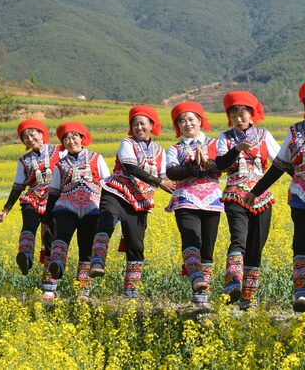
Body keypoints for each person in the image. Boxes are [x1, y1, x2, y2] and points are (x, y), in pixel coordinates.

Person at [246, 78, 305, 313]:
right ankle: (303, 294)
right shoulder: (295, 131)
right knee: (302, 244)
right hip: (302, 196)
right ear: (304, 105)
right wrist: (255, 191)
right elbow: (279, 165)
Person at [89, 106, 175, 298]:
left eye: (142, 123)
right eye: (134, 124)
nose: (138, 127)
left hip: (140, 201)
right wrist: (160, 182)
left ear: (152, 125)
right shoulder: (127, 143)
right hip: (117, 192)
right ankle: (97, 262)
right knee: (107, 220)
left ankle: (130, 292)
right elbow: (130, 167)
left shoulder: (160, 151)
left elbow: (164, 175)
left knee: (136, 244)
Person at [216, 91, 280, 310]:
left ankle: (248, 298)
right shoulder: (225, 138)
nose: (239, 119)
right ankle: (233, 283)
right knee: (239, 239)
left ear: (252, 116)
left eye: (243, 114)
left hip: (261, 196)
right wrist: (236, 150)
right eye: (234, 115)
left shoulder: (264, 136)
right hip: (235, 194)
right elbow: (220, 164)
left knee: (256, 246)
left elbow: (280, 161)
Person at [0, 119, 65, 300]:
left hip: (56, 199)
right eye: (25, 137)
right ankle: (25, 257)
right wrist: (5, 210)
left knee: (50, 238)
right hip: (32, 198)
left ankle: (49, 287)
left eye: (32, 134)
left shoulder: (60, 151)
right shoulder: (24, 161)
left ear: (42, 134)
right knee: (29, 226)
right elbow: (18, 186)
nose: (30, 139)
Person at [165, 101, 225, 305]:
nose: (187, 123)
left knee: (208, 245)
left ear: (200, 120)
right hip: (185, 199)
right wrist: (193, 166)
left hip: (212, 200)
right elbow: (172, 172)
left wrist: (207, 163)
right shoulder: (174, 148)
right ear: (178, 126)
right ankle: (196, 279)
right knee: (191, 237)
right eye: (182, 121)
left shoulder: (216, 144)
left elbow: (222, 166)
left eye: (191, 119)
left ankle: (202, 295)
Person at [45, 122, 111, 300]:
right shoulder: (60, 165)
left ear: (83, 138)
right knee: (62, 236)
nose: (70, 140)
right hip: (66, 205)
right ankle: (57, 266)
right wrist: (47, 219)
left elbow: (108, 184)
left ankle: (83, 290)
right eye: (66, 137)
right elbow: (53, 193)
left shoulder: (97, 158)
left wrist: (108, 211)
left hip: (92, 207)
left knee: (86, 248)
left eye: (74, 136)